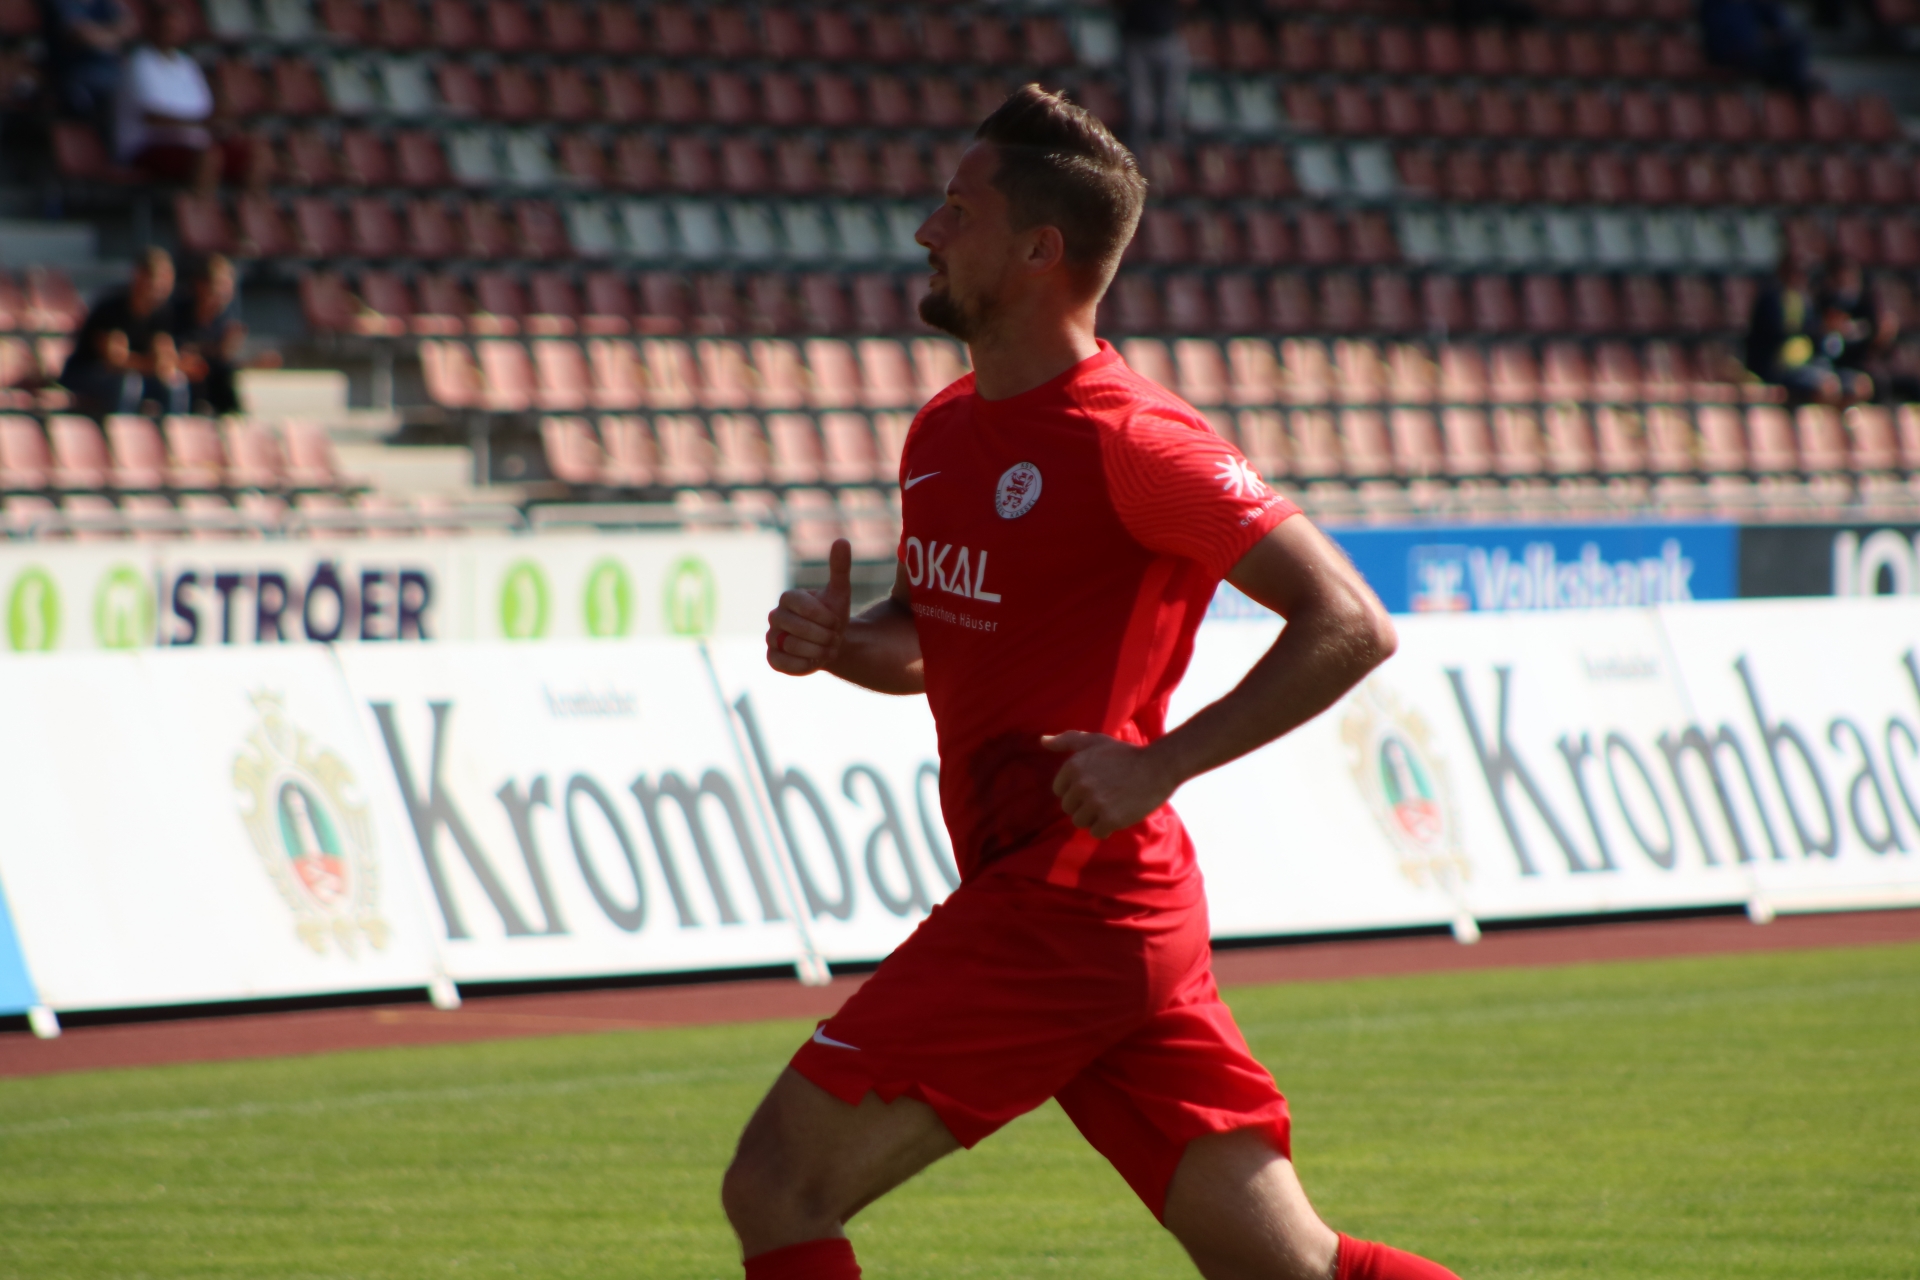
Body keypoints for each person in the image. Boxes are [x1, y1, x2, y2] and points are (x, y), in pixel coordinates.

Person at [726, 86, 1458, 1280]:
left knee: (777, 1185)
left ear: (1038, 250)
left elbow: (1352, 621)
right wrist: (836, 642)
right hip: (1097, 907)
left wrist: (1163, 762)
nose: (925, 230)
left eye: (957, 210)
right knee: (1290, 1265)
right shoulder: (944, 429)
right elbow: (929, 639)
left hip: (1072, 899)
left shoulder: (1134, 441)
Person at [114, 3, 262, 191]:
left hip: (192, 144)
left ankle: (250, 208)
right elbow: (152, 117)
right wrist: (203, 124)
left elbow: (205, 111)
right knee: (209, 157)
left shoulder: (187, 65)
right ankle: (199, 207)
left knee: (257, 155)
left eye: (176, 27)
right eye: (167, 27)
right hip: (149, 146)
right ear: (152, 27)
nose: (172, 32)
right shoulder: (139, 63)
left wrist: (224, 121)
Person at [61, 246, 177, 416]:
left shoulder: (163, 314)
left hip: (135, 375)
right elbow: (115, 361)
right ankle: (120, 429)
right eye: (156, 278)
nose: (162, 286)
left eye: (166, 279)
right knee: (127, 383)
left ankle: (171, 431)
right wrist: (150, 363)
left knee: (174, 385)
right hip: (87, 373)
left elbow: (166, 361)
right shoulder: (112, 308)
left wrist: (158, 362)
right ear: (139, 276)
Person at [1745, 255, 1868, 405]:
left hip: (1809, 364)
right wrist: (1818, 328)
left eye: (1802, 273)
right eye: (1794, 272)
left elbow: (1817, 342)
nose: (1798, 278)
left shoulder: (1805, 301)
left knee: (1860, 384)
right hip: (1780, 368)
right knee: (1827, 386)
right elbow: (1776, 335)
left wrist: (1831, 331)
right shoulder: (1771, 300)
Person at [173, 253, 278, 414]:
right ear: (200, 285)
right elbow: (177, 353)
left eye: (227, 287)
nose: (222, 294)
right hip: (183, 386)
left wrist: (254, 363)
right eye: (218, 286)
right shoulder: (177, 313)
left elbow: (225, 364)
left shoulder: (227, 320)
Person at [1697, 0, 1818, 95]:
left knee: (1796, 44)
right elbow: (1719, 38)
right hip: (1730, 55)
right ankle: (1798, 87)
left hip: (1754, 53)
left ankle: (1796, 84)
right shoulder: (1713, 5)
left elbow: (1779, 25)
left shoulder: (1750, 4)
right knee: (1785, 67)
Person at [48, 0, 138, 124]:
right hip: (81, 76)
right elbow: (81, 35)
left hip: (114, 71)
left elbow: (131, 26)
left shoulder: (106, 3)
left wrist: (102, 35)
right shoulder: (66, 3)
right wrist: (116, 36)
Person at [1119, 0, 1187, 150]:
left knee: (1170, 112)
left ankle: (1170, 154)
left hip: (1167, 36)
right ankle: (1136, 155)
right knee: (1140, 112)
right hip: (1136, 38)